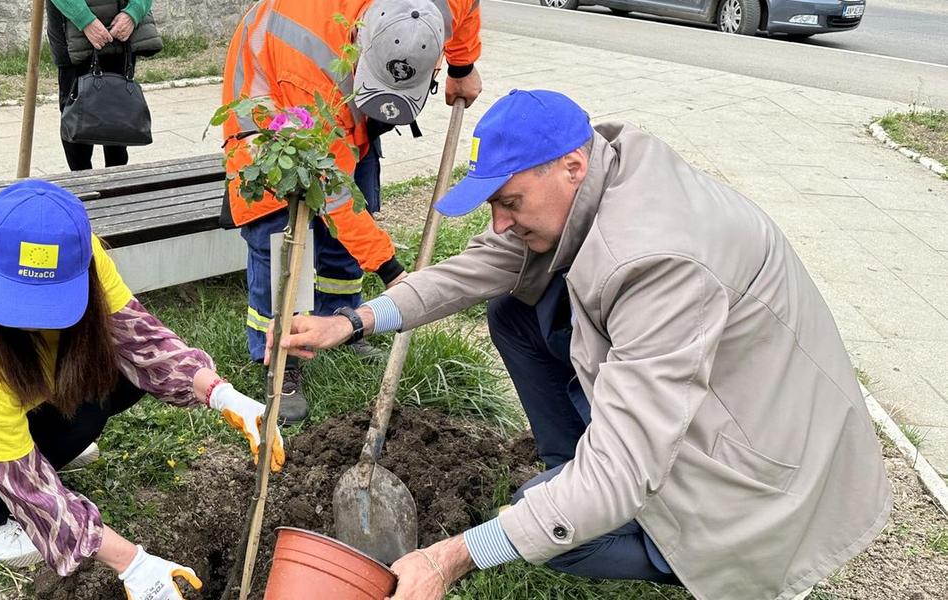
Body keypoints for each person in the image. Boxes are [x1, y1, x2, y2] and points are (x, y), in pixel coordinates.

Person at [271, 90, 892, 600]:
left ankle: (666, 533)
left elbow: (623, 472)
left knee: (559, 530)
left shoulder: (658, 262)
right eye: (493, 205)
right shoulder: (606, 170)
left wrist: (454, 557)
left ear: (571, 166)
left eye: (509, 203)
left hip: (762, 478)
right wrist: (352, 322)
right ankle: (569, 470)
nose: (501, 223)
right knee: (515, 312)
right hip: (740, 399)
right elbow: (481, 265)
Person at [0, 180, 284, 599]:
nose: (34, 318)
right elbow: (26, 485)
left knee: (112, 379)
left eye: (50, 299)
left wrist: (220, 393)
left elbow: (138, 337)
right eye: (21, 301)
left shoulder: (79, 252)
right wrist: (132, 563)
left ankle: (52, 444)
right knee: (64, 422)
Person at [221, 0, 484, 424]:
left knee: (353, 217)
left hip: (340, 110)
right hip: (275, 116)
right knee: (285, 245)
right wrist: (392, 269)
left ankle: (341, 325)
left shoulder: (434, 6)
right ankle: (281, 358)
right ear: (362, 45)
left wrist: (460, 67)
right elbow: (332, 197)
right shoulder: (312, 63)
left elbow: (466, 7)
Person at [46, 0, 151, 170]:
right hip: (72, 35)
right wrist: (85, 19)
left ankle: (116, 182)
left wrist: (134, 12)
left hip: (120, 30)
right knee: (76, 119)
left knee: (119, 115)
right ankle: (83, 187)